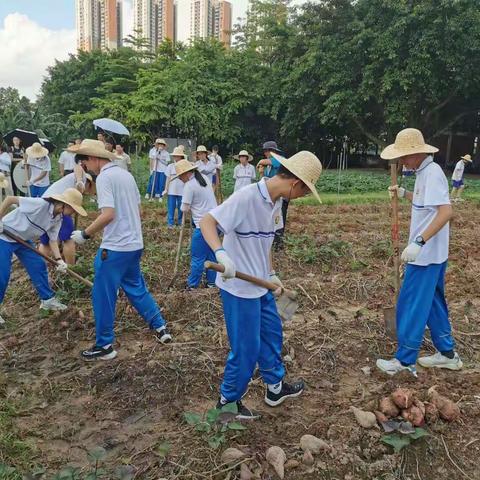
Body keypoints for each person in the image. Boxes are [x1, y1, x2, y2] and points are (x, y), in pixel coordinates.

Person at [200, 151, 322, 418]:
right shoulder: (247, 197)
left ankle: (275, 388)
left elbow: (265, 242)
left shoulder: (275, 203)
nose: (302, 197)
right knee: (246, 349)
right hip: (239, 289)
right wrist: (221, 253)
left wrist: (271, 273)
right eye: (304, 191)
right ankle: (227, 404)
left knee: (272, 336)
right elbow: (207, 222)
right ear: (295, 183)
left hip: (261, 285)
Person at [69, 139, 172, 361]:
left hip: (115, 248)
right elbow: (137, 208)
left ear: (94, 158)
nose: (86, 167)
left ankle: (105, 345)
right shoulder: (126, 174)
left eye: (85, 161)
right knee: (136, 288)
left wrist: (85, 235)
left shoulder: (105, 177)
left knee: (103, 295)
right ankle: (161, 327)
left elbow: (108, 214)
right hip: (134, 244)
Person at [376, 128, 462, 376]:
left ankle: (404, 361)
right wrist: (405, 194)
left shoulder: (432, 174)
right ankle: (447, 354)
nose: (402, 161)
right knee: (434, 303)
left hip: (425, 256)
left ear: (415, 153)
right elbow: (429, 203)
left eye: (404, 156)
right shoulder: (424, 173)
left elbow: (446, 212)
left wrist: (419, 242)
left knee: (411, 304)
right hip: (434, 255)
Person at [0, 188, 87, 324]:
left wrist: (59, 260)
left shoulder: (58, 218)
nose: (74, 212)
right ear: (65, 205)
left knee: (38, 265)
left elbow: (53, 240)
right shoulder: (40, 204)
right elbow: (10, 199)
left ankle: (47, 300)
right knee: (2, 274)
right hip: (5, 235)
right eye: (73, 209)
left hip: (22, 239)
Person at [172, 159, 217, 289]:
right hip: (215, 223)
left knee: (197, 258)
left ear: (185, 174)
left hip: (202, 226)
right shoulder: (204, 178)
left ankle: (192, 285)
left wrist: (189, 205)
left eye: (180, 176)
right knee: (211, 255)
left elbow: (184, 209)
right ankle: (212, 283)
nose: (180, 179)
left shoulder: (189, 186)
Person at [38, 171, 94, 265]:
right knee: (68, 239)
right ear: (88, 183)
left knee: (46, 243)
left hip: (46, 207)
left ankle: (39, 270)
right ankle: (71, 269)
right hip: (59, 206)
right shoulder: (81, 181)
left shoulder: (70, 180)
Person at [257, 141, 288, 250]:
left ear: (273, 151)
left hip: (282, 194)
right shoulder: (268, 166)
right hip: (272, 195)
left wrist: (261, 162)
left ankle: (279, 243)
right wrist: (261, 172)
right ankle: (272, 240)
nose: (266, 153)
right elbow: (264, 181)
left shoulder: (280, 159)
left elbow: (265, 161)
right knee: (271, 216)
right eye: (265, 151)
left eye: (267, 151)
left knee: (279, 217)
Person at [163, 146, 186, 228]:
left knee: (181, 207)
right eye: (174, 155)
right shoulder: (170, 166)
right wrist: (166, 189)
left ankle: (180, 222)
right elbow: (168, 178)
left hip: (182, 190)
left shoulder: (185, 166)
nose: (175, 157)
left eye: (177, 155)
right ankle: (170, 223)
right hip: (172, 191)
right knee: (171, 207)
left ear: (181, 156)